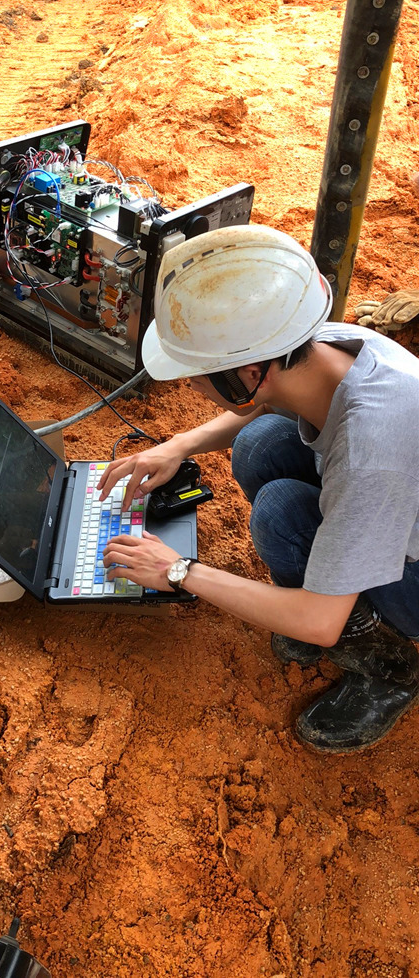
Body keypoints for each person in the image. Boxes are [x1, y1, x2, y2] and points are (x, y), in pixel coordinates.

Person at [98, 224, 419, 754]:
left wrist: (176, 571)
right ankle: (335, 585)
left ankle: (390, 667)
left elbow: (318, 621)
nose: (189, 385)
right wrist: (177, 445)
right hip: (394, 501)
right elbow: (267, 402)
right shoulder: (325, 344)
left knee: (280, 516)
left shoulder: (372, 451)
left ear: (246, 373)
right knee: (262, 441)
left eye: (193, 374)